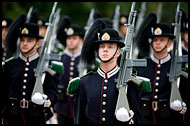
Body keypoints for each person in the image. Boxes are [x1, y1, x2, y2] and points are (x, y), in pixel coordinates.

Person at [73, 28, 143, 125]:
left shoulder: (129, 81)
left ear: (118, 53)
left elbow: (138, 117)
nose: (105, 50)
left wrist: (130, 120)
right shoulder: (85, 82)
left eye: (110, 47)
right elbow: (79, 118)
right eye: (102, 47)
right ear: (98, 51)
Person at [2, 23, 58, 125]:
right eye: (22, 40)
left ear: (38, 43)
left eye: (29, 40)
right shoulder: (9, 65)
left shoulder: (46, 65)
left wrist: (46, 100)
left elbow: (53, 93)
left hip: (36, 118)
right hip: (12, 118)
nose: (25, 43)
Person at [136, 23, 188, 125]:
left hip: (171, 119)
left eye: (162, 40)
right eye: (155, 40)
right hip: (145, 119)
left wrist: (184, 105)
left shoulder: (178, 66)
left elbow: (186, 91)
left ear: (169, 43)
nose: (158, 43)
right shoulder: (142, 66)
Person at [54, 24, 84, 125]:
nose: (71, 41)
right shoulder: (60, 58)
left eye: (74, 38)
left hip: (81, 106)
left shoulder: (85, 60)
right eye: (69, 38)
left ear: (81, 40)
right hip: (62, 107)